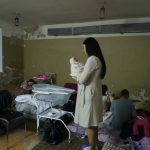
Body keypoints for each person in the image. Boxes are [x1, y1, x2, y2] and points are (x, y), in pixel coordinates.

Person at [72, 37, 106, 150]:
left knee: (89, 125)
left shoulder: (92, 59)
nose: (83, 50)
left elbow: (82, 80)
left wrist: (75, 74)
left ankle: (92, 148)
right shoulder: (97, 59)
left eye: (84, 47)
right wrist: (80, 64)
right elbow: (88, 72)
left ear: (89, 47)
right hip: (93, 95)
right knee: (93, 123)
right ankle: (96, 145)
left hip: (89, 97)